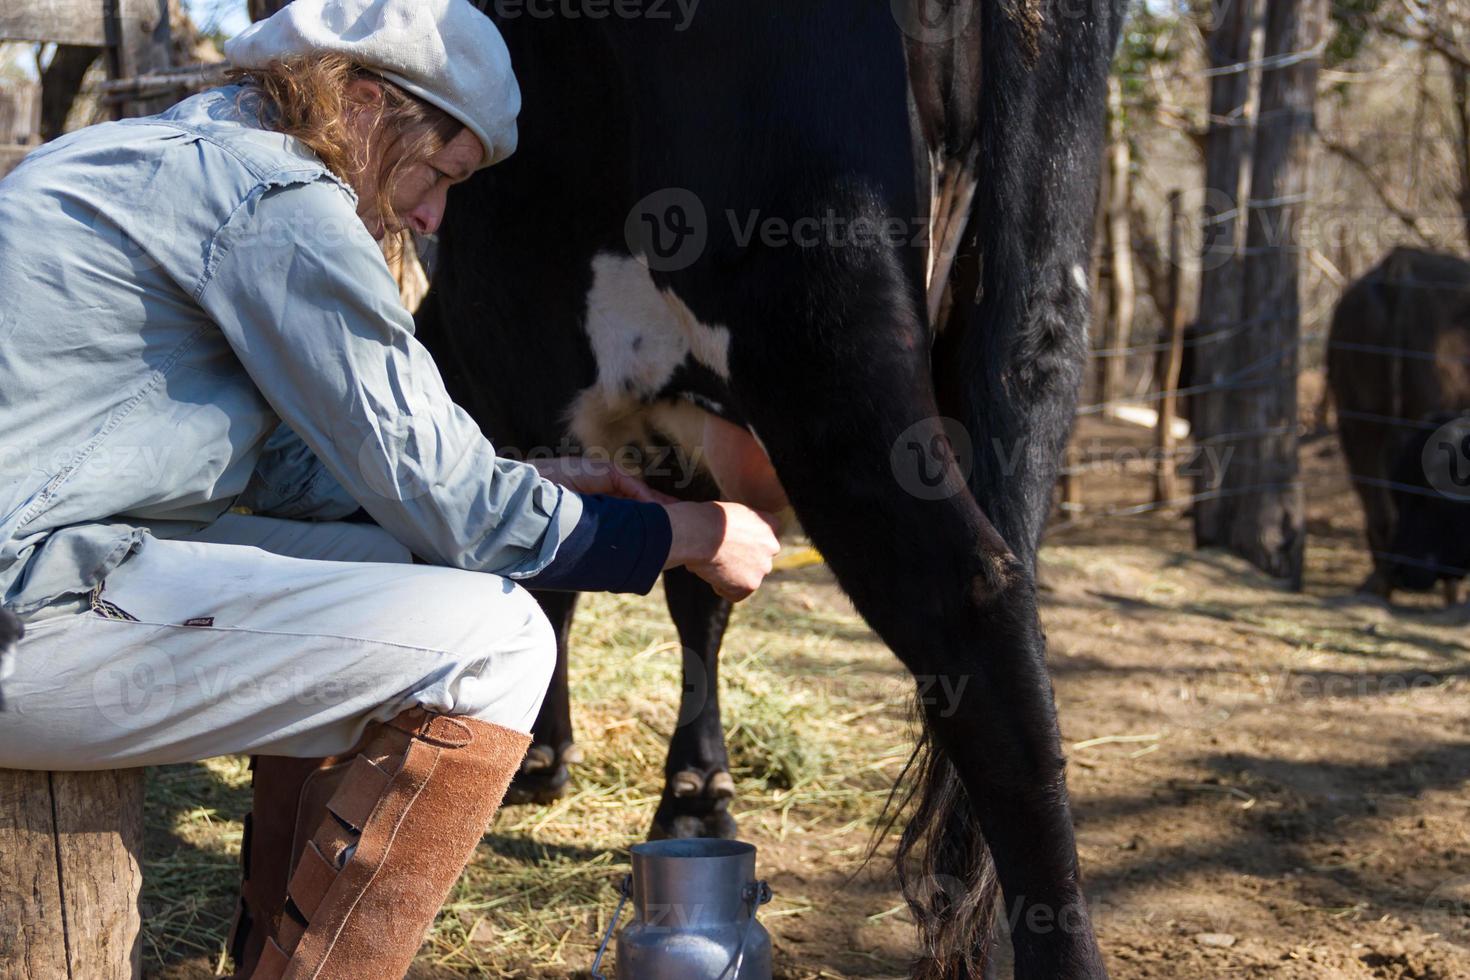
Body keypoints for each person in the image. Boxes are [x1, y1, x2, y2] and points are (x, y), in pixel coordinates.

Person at [0, 0, 781, 976]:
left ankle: (268, 944)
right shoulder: (275, 200)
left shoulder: (168, 155)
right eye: (440, 174)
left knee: (394, 564)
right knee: (499, 641)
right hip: (25, 604)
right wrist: (691, 530)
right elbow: (442, 496)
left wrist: (534, 479)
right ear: (368, 103)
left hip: (46, 553)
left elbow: (296, 475)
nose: (431, 216)